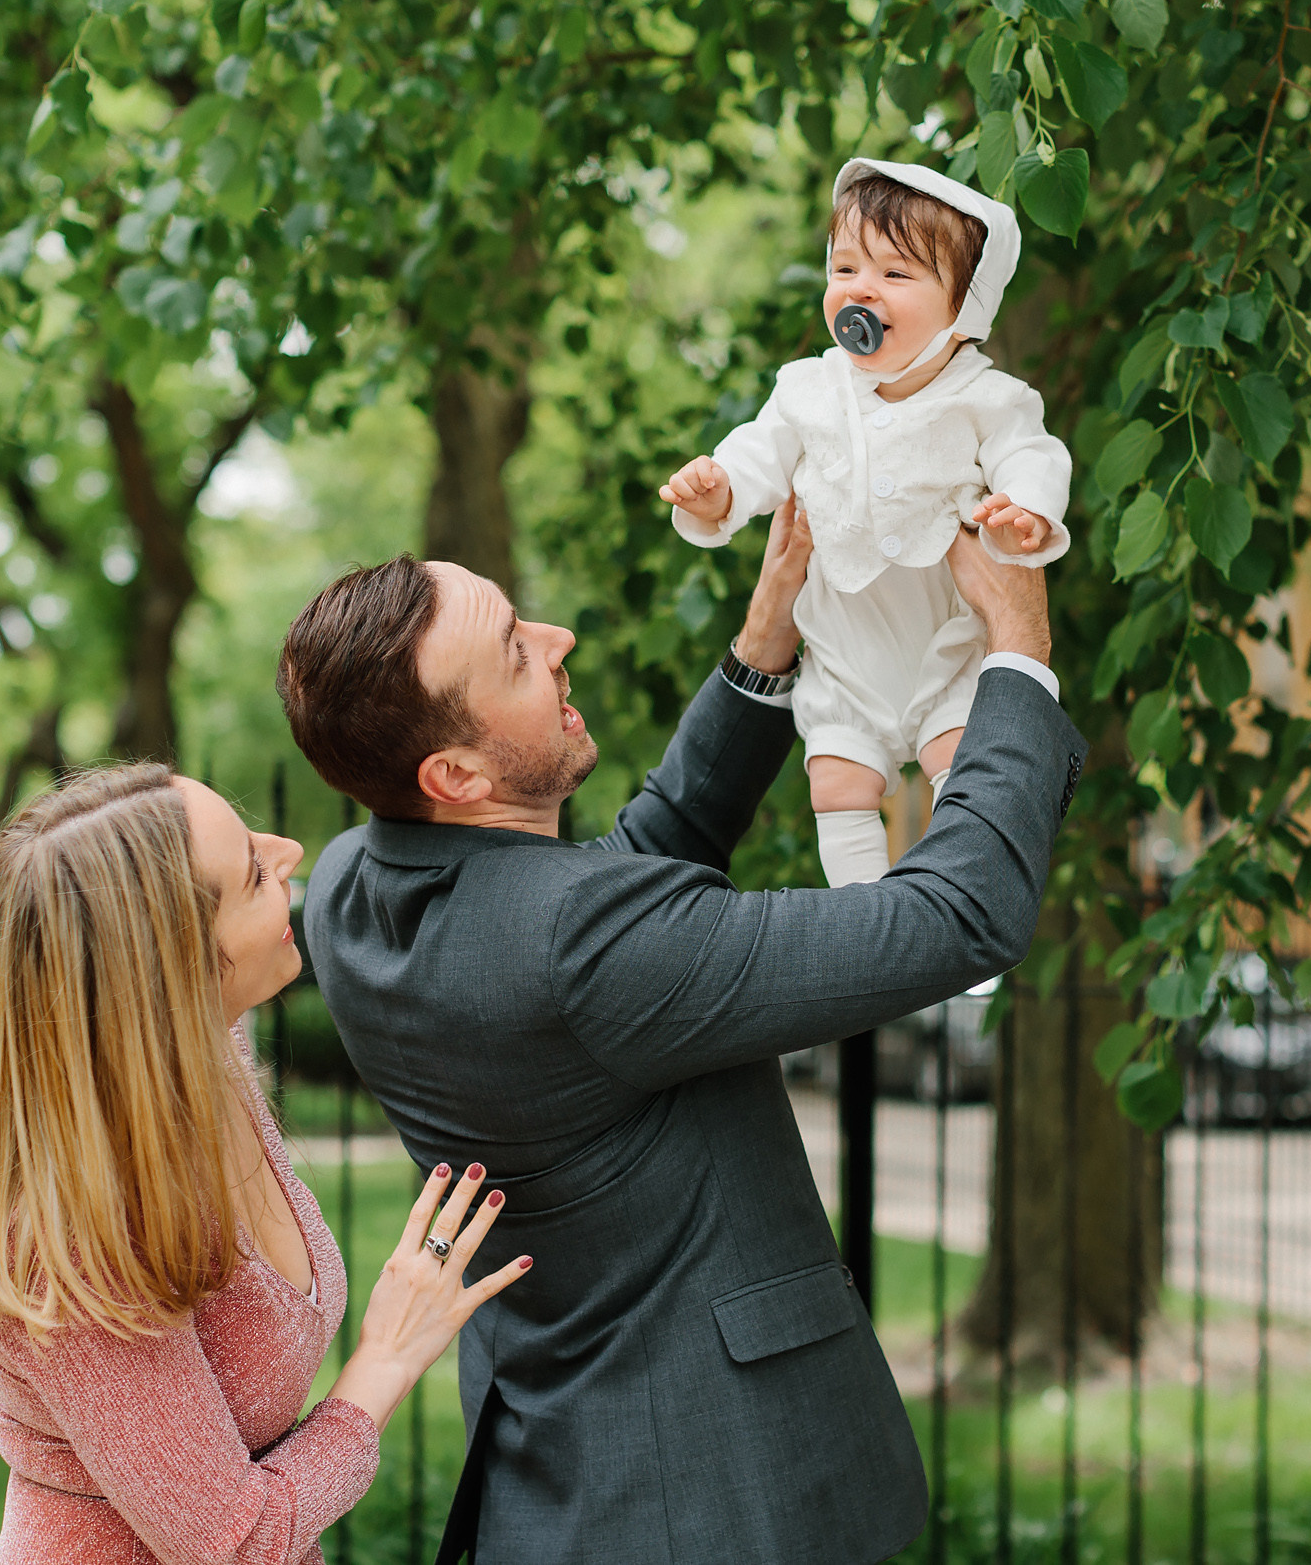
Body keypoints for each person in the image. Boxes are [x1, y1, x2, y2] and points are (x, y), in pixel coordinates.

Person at [279, 501, 1085, 1565]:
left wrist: (764, 644)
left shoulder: (353, 891)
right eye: (518, 655)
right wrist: (1018, 659)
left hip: (558, 1482)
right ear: (457, 778)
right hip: (713, 1503)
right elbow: (957, 915)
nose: (559, 644)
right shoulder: (580, 944)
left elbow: (615, 891)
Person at [0, 763, 532, 1563]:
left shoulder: (207, 1058)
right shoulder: (71, 1241)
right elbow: (236, 1540)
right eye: (254, 873)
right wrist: (388, 1355)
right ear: (173, 972)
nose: (292, 850)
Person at [658, 156, 1074, 889]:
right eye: (845, 266)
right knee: (838, 783)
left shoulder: (986, 395)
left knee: (963, 764)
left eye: (895, 274)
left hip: (949, 643)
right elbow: (759, 453)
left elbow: (1032, 454)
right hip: (845, 650)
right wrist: (718, 492)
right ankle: (862, 911)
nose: (860, 289)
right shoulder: (808, 388)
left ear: (964, 306)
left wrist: (1027, 510)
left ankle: (961, 889)